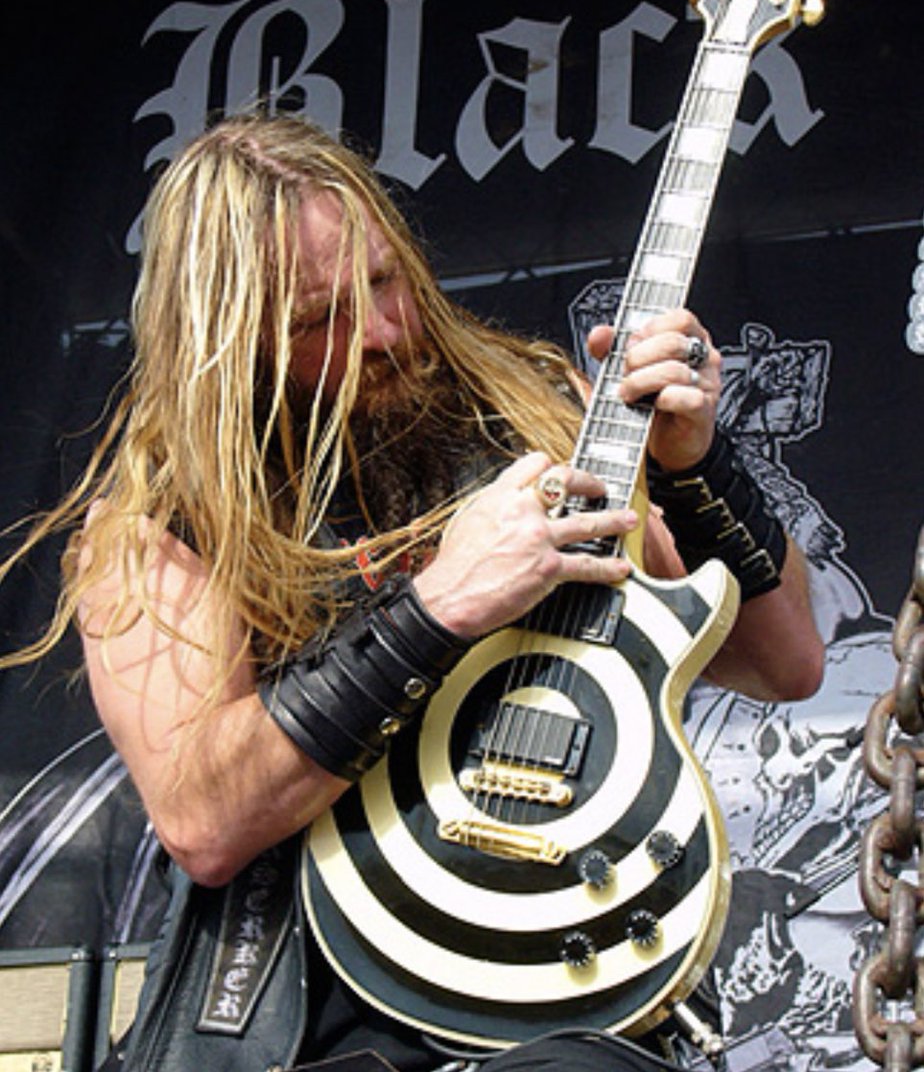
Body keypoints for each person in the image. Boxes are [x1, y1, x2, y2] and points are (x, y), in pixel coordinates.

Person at [2, 113, 823, 1071]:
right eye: (322, 319)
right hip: (307, 1028)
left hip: (578, 1001)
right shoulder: (162, 528)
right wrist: (439, 605)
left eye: (385, 281)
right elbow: (203, 820)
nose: (384, 331)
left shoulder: (534, 409)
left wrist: (696, 463)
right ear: (227, 342)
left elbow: (785, 663)